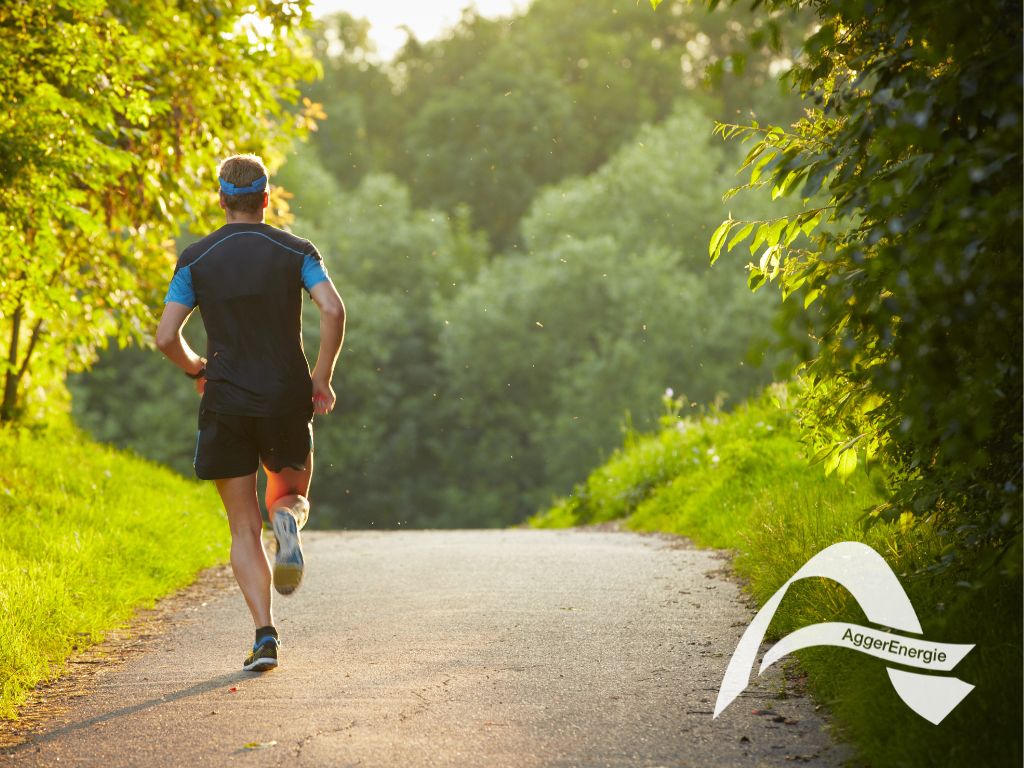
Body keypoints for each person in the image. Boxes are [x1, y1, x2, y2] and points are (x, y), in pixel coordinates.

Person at [155, 153, 346, 673]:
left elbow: (166, 336)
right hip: (286, 397)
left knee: (243, 527)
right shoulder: (296, 251)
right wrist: (322, 377)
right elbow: (332, 308)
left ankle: (264, 636)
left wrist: (197, 369)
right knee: (289, 494)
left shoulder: (196, 259)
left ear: (222, 199)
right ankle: (288, 521)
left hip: (226, 404)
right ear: (265, 198)